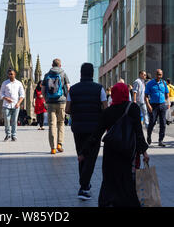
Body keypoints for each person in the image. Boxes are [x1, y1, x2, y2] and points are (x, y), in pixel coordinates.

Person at [78, 82, 149, 207]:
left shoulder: (107, 112)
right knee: (127, 179)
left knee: (109, 180)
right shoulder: (133, 108)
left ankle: (109, 202)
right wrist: (144, 151)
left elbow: (96, 134)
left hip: (111, 151)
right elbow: (139, 133)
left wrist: (84, 152)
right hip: (128, 151)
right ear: (126, 94)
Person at [66, 63, 107, 200]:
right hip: (94, 129)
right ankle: (83, 187)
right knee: (90, 157)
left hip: (78, 128)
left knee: (81, 155)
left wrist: (77, 112)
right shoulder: (99, 89)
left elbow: (67, 109)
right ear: (92, 74)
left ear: (80, 73)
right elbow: (105, 109)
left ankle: (85, 185)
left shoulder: (73, 89)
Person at [41, 58, 70, 154]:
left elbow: (43, 90)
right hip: (61, 102)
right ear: (60, 65)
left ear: (52, 65)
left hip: (50, 103)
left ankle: (53, 148)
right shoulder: (63, 74)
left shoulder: (47, 75)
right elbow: (68, 88)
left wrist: (46, 100)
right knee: (61, 123)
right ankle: (59, 144)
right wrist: (67, 99)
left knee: (52, 125)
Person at [145, 69, 170, 147]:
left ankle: (160, 140)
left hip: (162, 105)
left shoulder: (164, 83)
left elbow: (167, 93)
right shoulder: (150, 84)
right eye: (158, 74)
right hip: (153, 106)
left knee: (163, 123)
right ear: (155, 74)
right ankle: (149, 136)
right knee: (152, 122)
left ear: (162, 75)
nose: (159, 76)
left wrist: (167, 102)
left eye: (160, 74)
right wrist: (148, 105)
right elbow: (146, 96)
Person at [0, 68, 25, 141]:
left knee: (14, 121)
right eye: (9, 74)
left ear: (15, 74)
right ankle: (8, 134)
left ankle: (14, 135)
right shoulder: (5, 83)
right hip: (6, 105)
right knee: (7, 121)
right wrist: (6, 98)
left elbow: (22, 95)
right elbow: (1, 93)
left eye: (12, 74)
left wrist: (18, 103)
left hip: (15, 105)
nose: (11, 75)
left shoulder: (19, 83)